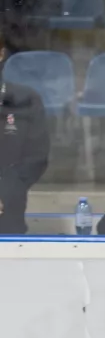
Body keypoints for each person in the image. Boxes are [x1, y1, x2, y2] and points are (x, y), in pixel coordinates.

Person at [0, 32, 50, 235]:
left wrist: (5, 192)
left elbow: (36, 158)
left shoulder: (25, 99)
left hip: (7, 207)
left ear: (1, 54)